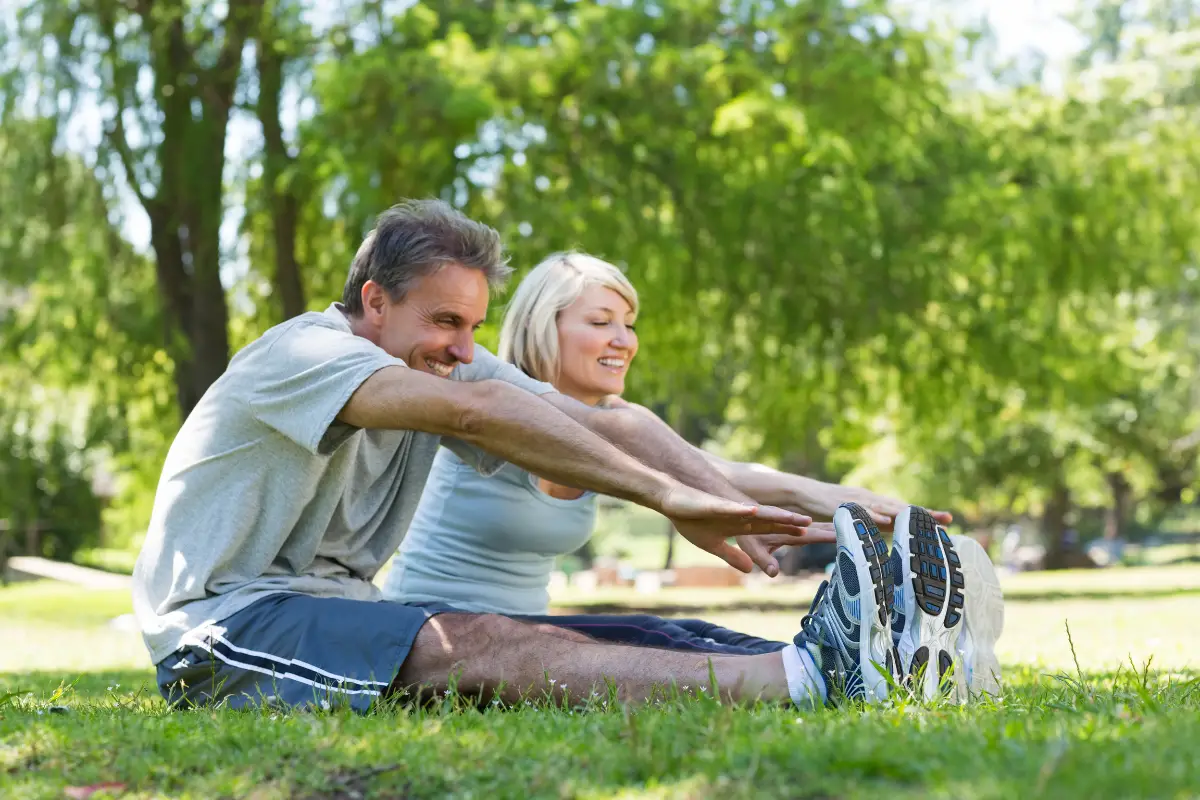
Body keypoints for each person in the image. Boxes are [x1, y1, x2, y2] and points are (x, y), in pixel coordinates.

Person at [132, 199, 902, 715]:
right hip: (220, 631)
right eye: (444, 321)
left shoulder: (440, 360)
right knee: (470, 644)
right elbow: (486, 409)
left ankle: (858, 659)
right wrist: (666, 500)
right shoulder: (301, 353)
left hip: (342, 611)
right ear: (374, 301)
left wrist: (822, 509)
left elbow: (606, 422)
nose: (464, 349)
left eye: (472, 325)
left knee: (626, 632)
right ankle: (800, 682)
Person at [383, 252, 1003, 699]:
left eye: (628, 324)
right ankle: (865, 666)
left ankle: (904, 657)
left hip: (534, 625)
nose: (622, 340)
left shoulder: (606, 424)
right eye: (600, 322)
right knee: (661, 638)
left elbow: (702, 467)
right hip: (449, 632)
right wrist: (815, 500)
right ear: (546, 327)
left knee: (688, 632)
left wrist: (833, 498)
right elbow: (666, 464)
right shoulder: (491, 402)